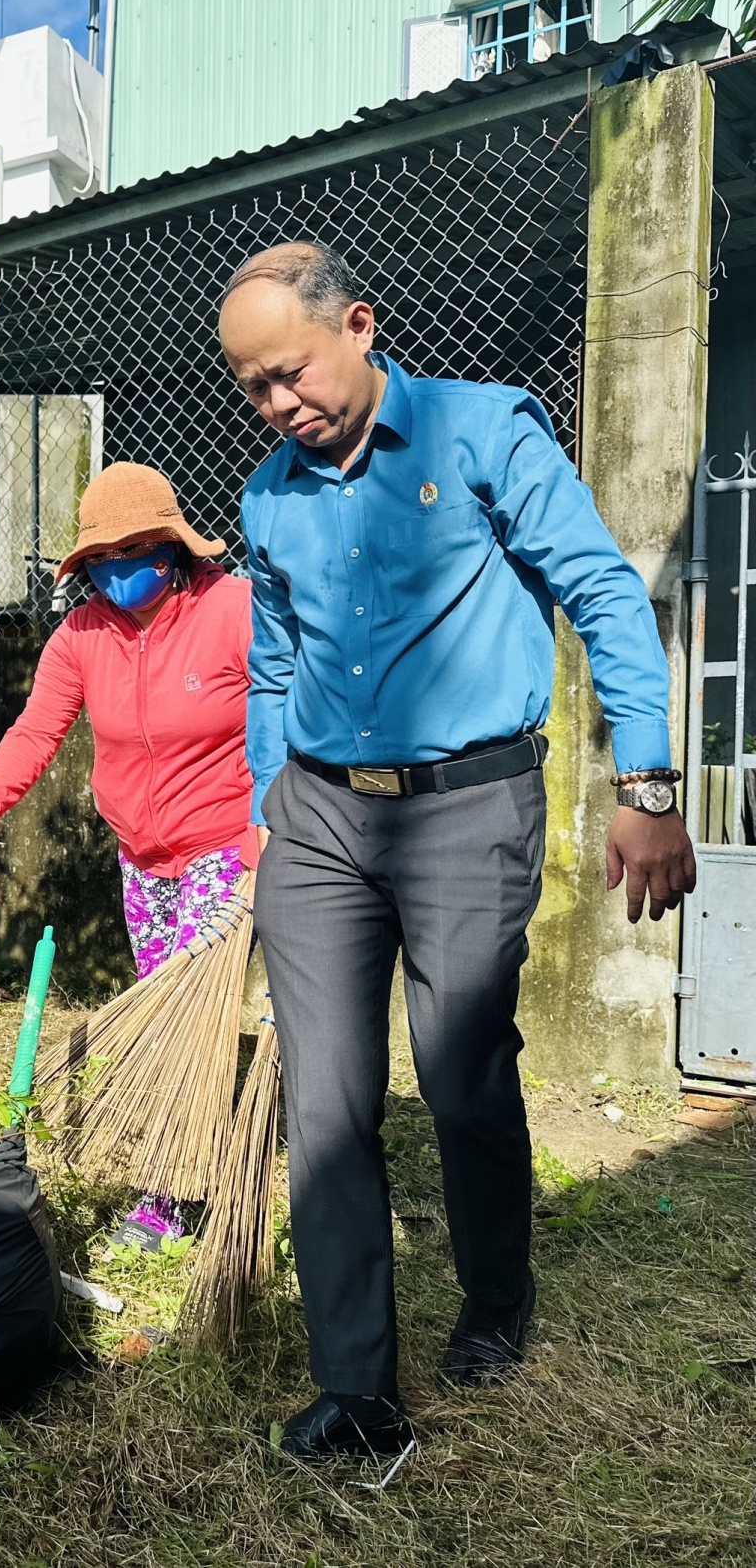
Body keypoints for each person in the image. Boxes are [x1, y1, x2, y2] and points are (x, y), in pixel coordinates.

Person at [218, 241, 696, 1460]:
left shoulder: (484, 434)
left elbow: (599, 588)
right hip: (320, 817)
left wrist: (643, 779)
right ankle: (357, 1390)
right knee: (324, 1097)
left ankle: (495, 1303)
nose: (279, 405)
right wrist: (269, 791)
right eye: (253, 388)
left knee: (460, 1067)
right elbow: (272, 660)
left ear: (360, 324)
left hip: (468, 805)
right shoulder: (269, 494)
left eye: (292, 373)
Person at [0, 460, 257, 1250]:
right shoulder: (81, 636)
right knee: (161, 1008)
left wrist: (274, 825)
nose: (117, 572)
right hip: (141, 858)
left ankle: (170, 1196)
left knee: (182, 1014)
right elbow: (36, 732)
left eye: (132, 553)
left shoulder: (234, 610)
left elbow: (294, 710)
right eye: (101, 562)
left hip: (227, 843)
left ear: (171, 545)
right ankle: (186, 1162)